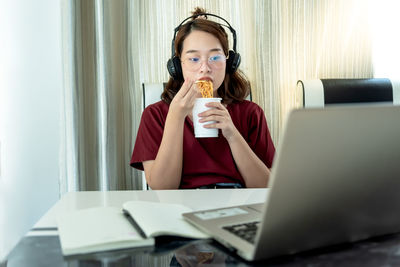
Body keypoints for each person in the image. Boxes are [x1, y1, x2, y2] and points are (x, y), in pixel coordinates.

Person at [130, 7, 275, 189]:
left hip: (237, 205)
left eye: (215, 57)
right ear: (177, 65)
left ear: (229, 62)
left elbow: (264, 186)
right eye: (194, 59)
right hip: (180, 208)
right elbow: (162, 188)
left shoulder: (251, 113)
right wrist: (175, 117)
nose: (205, 68)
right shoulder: (155, 115)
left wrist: (232, 133)